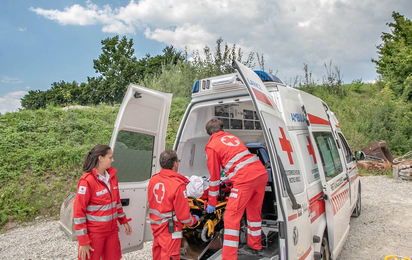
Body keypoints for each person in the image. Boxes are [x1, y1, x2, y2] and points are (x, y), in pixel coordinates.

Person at [204, 118, 268, 259]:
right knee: (253, 213)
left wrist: (212, 202)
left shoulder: (212, 145)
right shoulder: (232, 137)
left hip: (245, 179)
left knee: (231, 217)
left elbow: (214, 178)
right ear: (221, 129)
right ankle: (255, 246)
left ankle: (228, 257)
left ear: (209, 133)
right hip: (260, 173)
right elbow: (238, 161)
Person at [73, 144, 132, 260]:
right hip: (95, 233)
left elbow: (117, 203)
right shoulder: (87, 181)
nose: (113, 160)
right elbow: (78, 213)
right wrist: (83, 240)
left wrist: (123, 221)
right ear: (100, 158)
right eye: (110, 157)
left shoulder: (112, 177)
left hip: (112, 231)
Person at [148, 149, 199, 260]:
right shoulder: (178, 185)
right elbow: (184, 216)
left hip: (156, 228)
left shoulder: (153, 180)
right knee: (170, 256)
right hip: (170, 230)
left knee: (158, 255)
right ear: (175, 164)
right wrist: (194, 221)